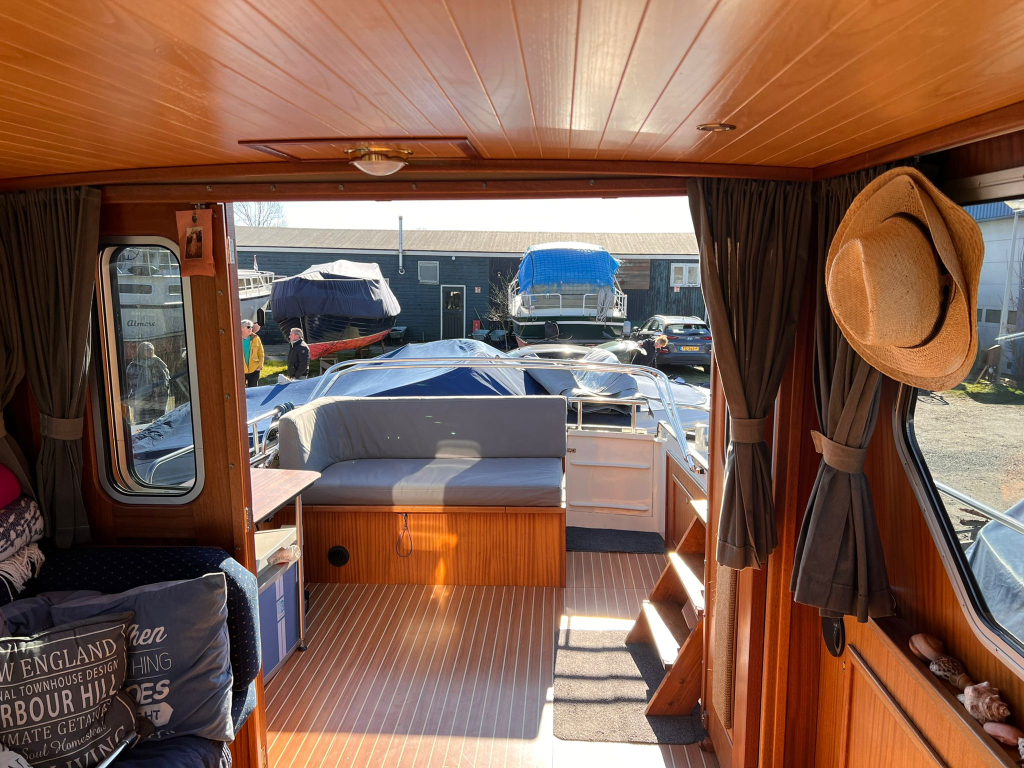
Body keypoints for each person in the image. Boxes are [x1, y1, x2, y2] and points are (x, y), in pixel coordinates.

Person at [126, 341, 170, 422]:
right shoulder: (133, 366)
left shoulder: (159, 363)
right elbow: (127, 384)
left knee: (160, 424)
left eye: (151, 350)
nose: (150, 351)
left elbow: (166, 380)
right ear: (141, 351)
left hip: (159, 400)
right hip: (142, 401)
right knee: (142, 424)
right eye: (147, 350)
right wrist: (129, 398)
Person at [241, 319, 265, 387]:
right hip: (240, 370)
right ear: (241, 328)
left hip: (254, 369)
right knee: (240, 390)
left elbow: (261, 353)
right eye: (248, 327)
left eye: (251, 327)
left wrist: (260, 366)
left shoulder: (256, 338)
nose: (250, 329)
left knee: (253, 390)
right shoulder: (235, 338)